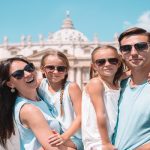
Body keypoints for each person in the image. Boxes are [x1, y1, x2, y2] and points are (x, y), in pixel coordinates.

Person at [0, 57, 67, 150]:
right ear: (10, 84)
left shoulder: (40, 98)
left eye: (29, 68)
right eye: (18, 74)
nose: (28, 74)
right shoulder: (29, 110)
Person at [112, 27, 150, 150]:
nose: (133, 53)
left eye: (141, 46)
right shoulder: (116, 86)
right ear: (121, 54)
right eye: (126, 48)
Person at [38, 51, 83, 150]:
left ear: (66, 71)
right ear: (42, 69)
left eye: (61, 68)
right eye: (50, 67)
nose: (55, 71)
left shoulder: (72, 87)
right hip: (52, 136)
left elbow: (81, 117)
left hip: (73, 137)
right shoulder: (40, 84)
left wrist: (64, 137)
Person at [82, 45, 124, 150]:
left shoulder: (116, 82)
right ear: (94, 66)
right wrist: (105, 143)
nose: (107, 64)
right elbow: (101, 114)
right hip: (98, 141)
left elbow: (135, 71)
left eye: (112, 60)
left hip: (110, 138)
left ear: (118, 63)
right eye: (101, 62)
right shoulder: (96, 83)